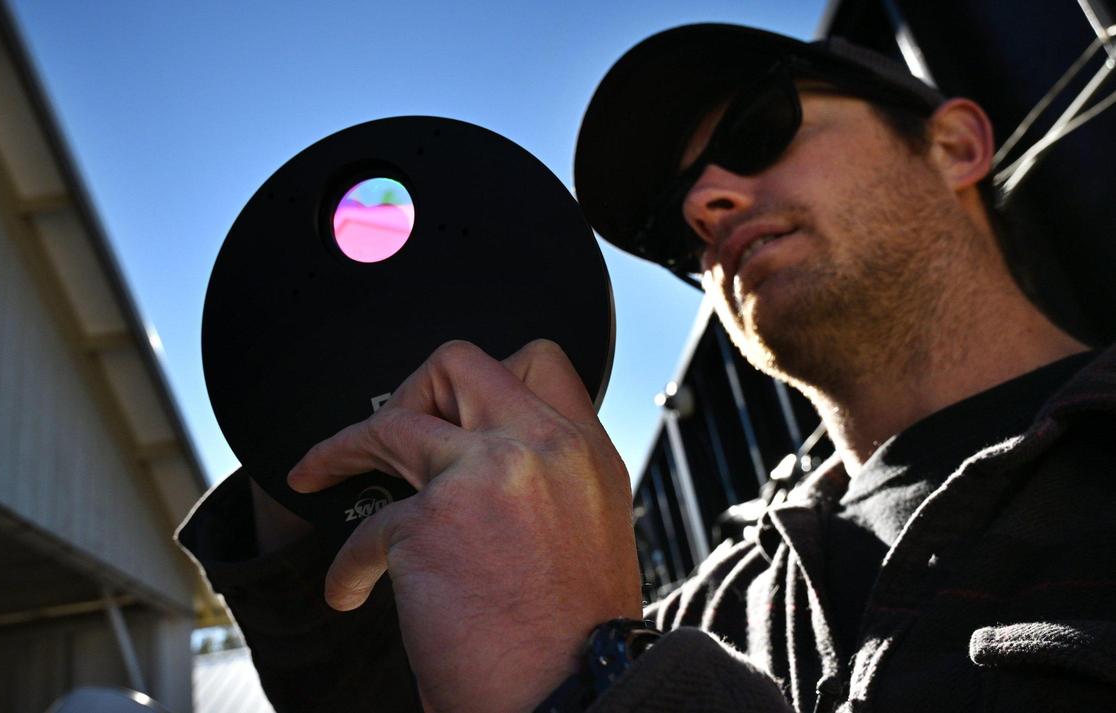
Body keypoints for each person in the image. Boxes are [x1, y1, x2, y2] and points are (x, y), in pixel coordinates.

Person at [178, 23, 1116, 713]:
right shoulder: (714, 606)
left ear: (956, 144)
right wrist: (305, 448)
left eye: (758, 131)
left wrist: (588, 679)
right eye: (679, 223)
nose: (707, 205)